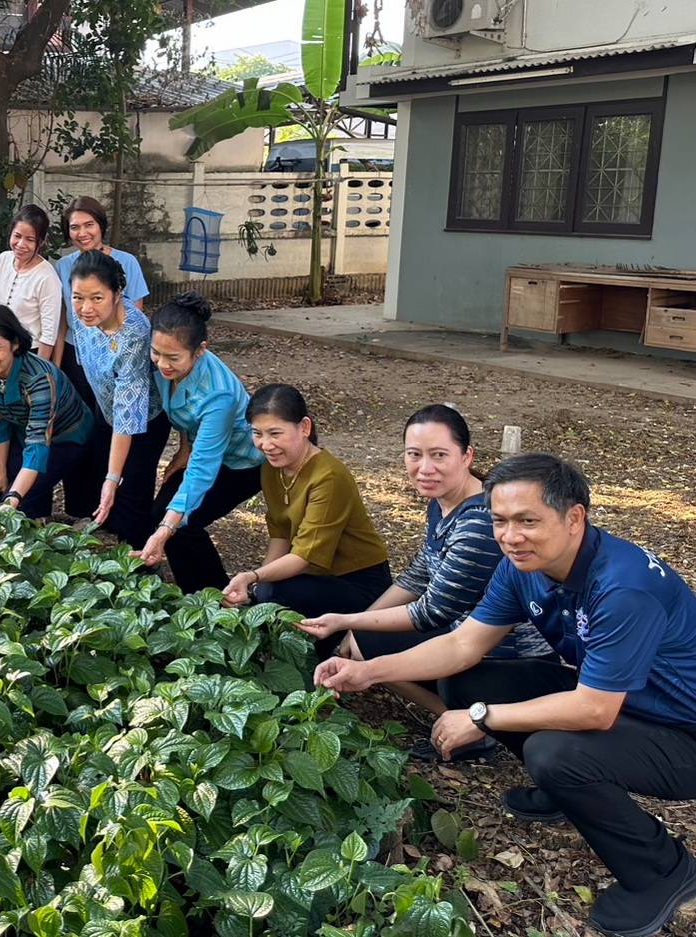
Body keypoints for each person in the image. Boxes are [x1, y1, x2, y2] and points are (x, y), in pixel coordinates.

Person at [315, 453, 696, 937]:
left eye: (528, 521)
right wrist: (367, 671)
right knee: (471, 681)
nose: (511, 536)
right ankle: (568, 794)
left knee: (553, 752)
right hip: (623, 698)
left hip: (681, 730)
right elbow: (463, 644)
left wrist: (479, 718)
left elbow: (595, 710)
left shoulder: (623, 588)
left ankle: (662, 871)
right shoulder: (524, 566)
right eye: (500, 521)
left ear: (574, 517)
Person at [297, 404, 555, 758]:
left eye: (439, 455)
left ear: (467, 456)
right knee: (362, 639)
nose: (425, 468)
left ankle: (469, 727)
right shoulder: (443, 501)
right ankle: (459, 717)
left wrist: (348, 623)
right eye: (414, 455)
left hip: (506, 653)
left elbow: (432, 611)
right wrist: (351, 629)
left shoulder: (481, 522)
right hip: (463, 632)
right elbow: (419, 573)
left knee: (367, 644)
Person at [221, 384, 393, 657]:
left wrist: (253, 578)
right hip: (314, 577)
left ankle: (325, 654)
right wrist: (255, 588)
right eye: (257, 434)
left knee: (274, 592)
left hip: (359, 584)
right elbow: (280, 534)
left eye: (275, 433)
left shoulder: (328, 476)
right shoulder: (272, 468)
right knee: (264, 593)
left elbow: (303, 557)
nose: (266, 444)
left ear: (304, 427)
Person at [136, 292, 264, 592]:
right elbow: (181, 412)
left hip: (244, 464)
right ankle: (192, 592)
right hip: (203, 449)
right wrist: (185, 447)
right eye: (156, 353)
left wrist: (164, 531)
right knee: (163, 514)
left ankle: (216, 597)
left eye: (173, 358)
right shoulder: (165, 362)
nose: (162, 364)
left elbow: (202, 471)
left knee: (181, 523)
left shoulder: (219, 395)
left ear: (200, 351)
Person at [60, 250, 170, 549]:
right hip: (106, 406)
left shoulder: (135, 335)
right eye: (77, 297)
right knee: (100, 471)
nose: (85, 308)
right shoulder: (83, 318)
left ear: (117, 293)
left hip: (143, 420)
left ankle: (140, 562)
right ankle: (107, 530)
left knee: (131, 485)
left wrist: (113, 477)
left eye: (97, 298)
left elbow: (128, 415)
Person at [0, 304, 93, 519]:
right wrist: (0, 471)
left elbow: (38, 445)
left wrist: (13, 497)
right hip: (25, 430)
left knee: (21, 498)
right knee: (4, 489)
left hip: (67, 435)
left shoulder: (38, 379)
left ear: (14, 344)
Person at [54, 197, 148, 405]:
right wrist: (56, 367)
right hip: (76, 358)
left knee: (111, 421)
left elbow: (136, 318)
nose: (82, 233)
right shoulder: (62, 267)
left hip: (115, 356)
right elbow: (61, 323)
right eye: (75, 227)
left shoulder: (127, 262)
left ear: (101, 226)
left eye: (89, 225)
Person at [0, 205, 61, 358]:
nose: (21, 244)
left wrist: (39, 370)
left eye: (30, 239)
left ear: (41, 242)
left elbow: (49, 334)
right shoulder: (3, 259)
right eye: (17, 236)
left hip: (27, 353)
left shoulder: (48, 277)